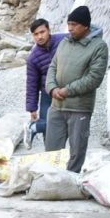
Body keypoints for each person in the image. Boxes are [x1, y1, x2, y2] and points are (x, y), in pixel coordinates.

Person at [45, 6, 108, 173]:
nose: (70, 28)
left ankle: (70, 183)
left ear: (85, 26)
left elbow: (94, 78)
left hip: (79, 108)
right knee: (52, 151)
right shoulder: (64, 42)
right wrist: (52, 89)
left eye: (74, 24)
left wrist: (67, 91)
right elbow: (52, 67)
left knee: (76, 152)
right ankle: (50, 182)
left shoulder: (99, 46)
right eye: (68, 24)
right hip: (56, 105)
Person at [24, 19, 65, 149]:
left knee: (64, 124)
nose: (40, 36)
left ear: (49, 30)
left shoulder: (64, 40)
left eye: (42, 32)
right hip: (47, 94)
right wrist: (32, 108)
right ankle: (50, 157)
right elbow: (32, 84)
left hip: (67, 89)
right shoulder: (33, 58)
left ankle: (34, 127)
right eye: (36, 34)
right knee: (48, 129)